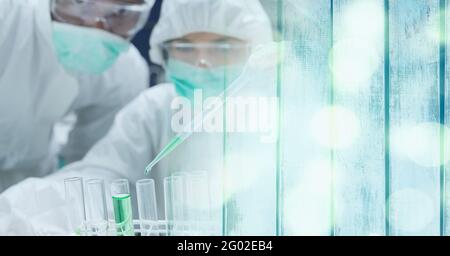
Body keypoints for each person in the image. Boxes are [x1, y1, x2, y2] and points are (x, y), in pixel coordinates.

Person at [0, 0, 273, 235]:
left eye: (222, 47)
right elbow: (97, 181)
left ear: (256, 51)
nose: (202, 62)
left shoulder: (283, 116)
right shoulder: (155, 111)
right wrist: (14, 215)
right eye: (185, 48)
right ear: (164, 53)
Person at [0, 0, 154, 192]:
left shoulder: (125, 72)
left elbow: (94, 173)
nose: (95, 24)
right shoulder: (7, 17)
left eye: (121, 13)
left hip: (30, 189)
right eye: (81, 2)